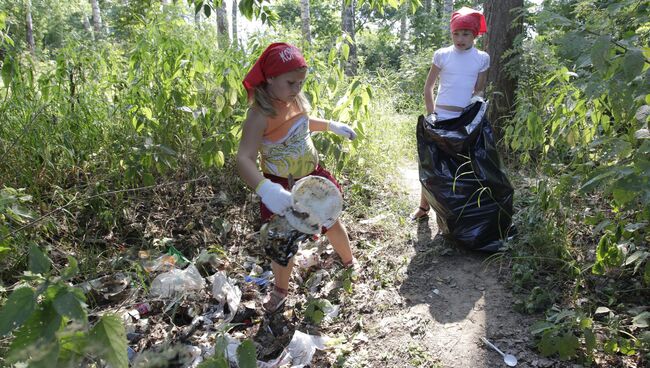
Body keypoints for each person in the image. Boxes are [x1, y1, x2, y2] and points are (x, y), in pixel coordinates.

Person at [237, 43, 357, 313]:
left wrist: (329, 126)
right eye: (291, 82)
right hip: (280, 187)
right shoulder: (259, 115)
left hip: (312, 179)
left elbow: (303, 122)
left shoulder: (295, 99)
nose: (297, 88)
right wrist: (265, 189)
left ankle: (349, 262)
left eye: (301, 83)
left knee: (331, 221)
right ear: (270, 79)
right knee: (282, 242)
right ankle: (281, 290)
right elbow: (243, 158)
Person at [410, 7, 490, 221]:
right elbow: (428, 88)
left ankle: (458, 210)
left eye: (465, 34)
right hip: (441, 117)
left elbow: (479, 91)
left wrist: (472, 115)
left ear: (475, 35)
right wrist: (431, 115)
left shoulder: (482, 58)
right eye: (456, 33)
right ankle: (423, 207)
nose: (460, 38)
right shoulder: (442, 55)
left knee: (463, 164)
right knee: (431, 163)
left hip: (465, 121)